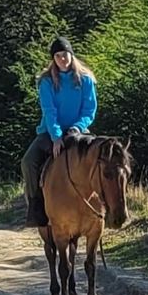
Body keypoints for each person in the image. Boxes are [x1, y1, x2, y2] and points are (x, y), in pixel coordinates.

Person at [21, 37, 98, 227]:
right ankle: (36, 206)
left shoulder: (86, 79)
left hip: (78, 131)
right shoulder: (46, 81)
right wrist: (56, 137)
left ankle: (105, 204)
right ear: (53, 59)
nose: (62, 59)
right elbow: (49, 111)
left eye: (65, 54)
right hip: (50, 132)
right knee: (28, 162)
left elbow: (89, 110)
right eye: (57, 56)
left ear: (71, 54)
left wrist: (77, 127)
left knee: (101, 159)